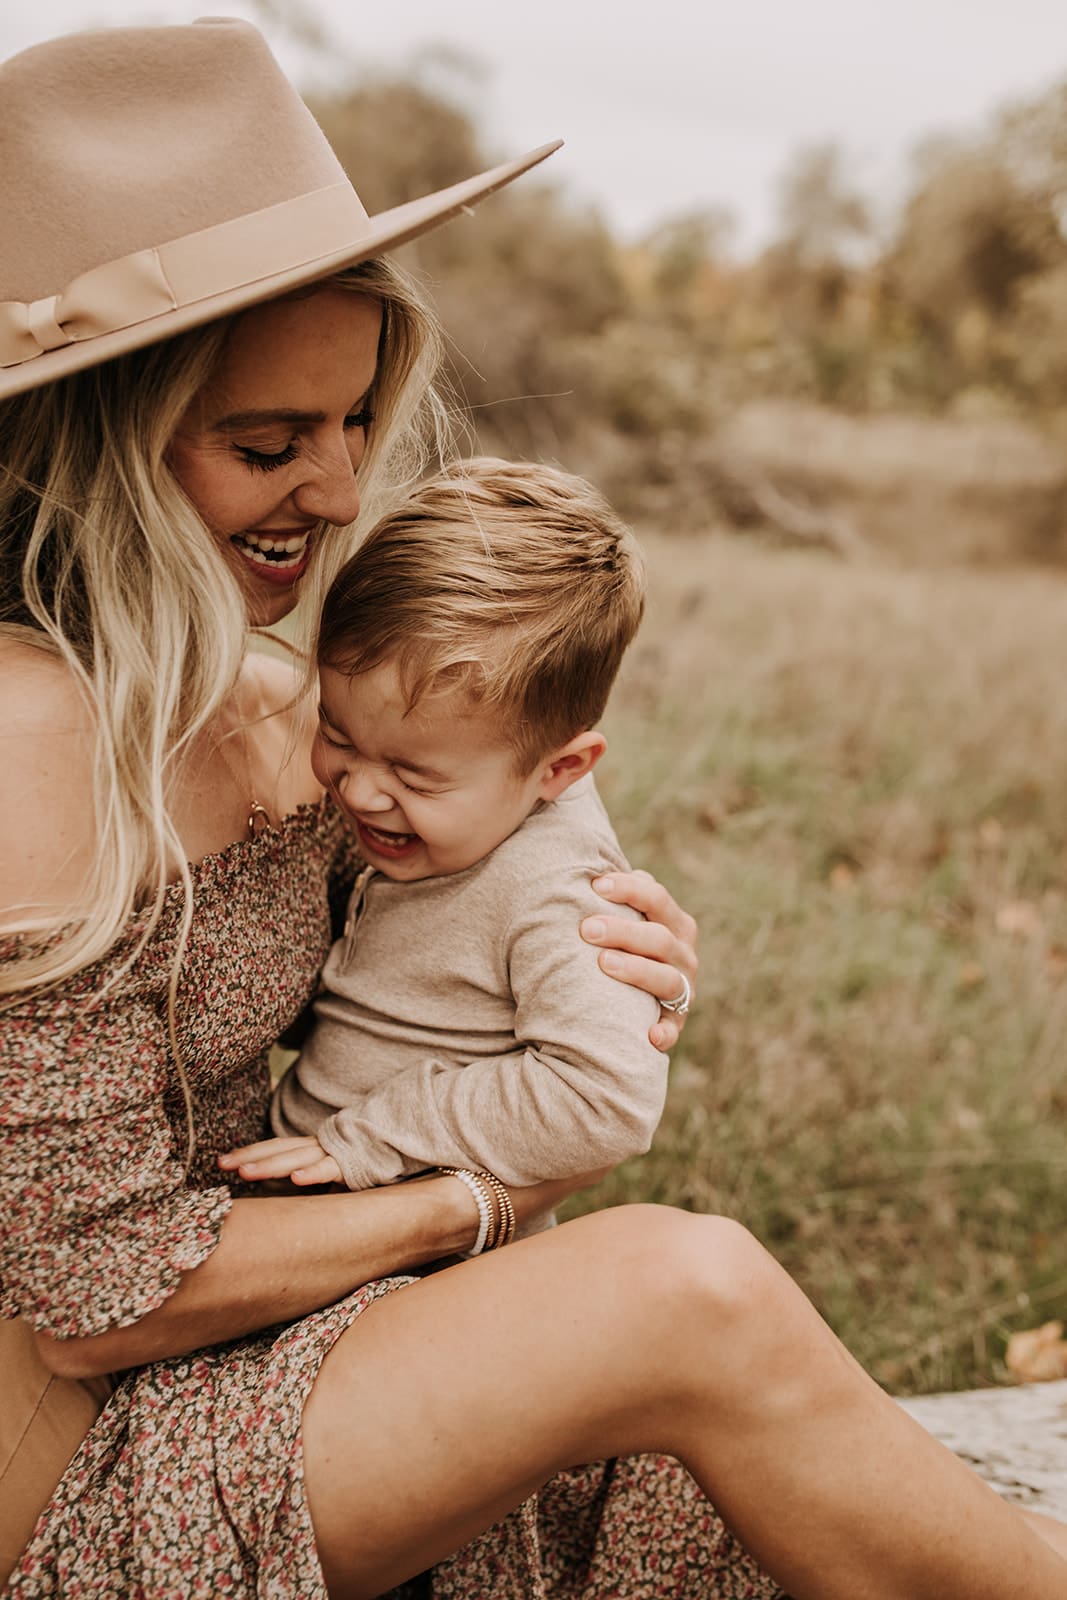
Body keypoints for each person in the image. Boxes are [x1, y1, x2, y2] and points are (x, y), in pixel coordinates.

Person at [1, 18, 1066, 1600]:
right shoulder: (27, 730)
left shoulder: (287, 708)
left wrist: (588, 951)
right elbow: (98, 1298)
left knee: (712, 1449)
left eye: (356, 420)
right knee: (678, 1290)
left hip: (281, 1338)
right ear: (91, 449)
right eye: (265, 443)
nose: (344, 491)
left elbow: (424, 953)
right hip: (88, 1469)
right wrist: (470, 1195)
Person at [225, 457, 668, 1205]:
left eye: (416, 776)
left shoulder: (559, 896)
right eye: (336, 730)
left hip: (415, 1262)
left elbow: (607, 1100)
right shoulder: (461, 822)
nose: (359, 788)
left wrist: (375, 1136)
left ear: (557, 771)